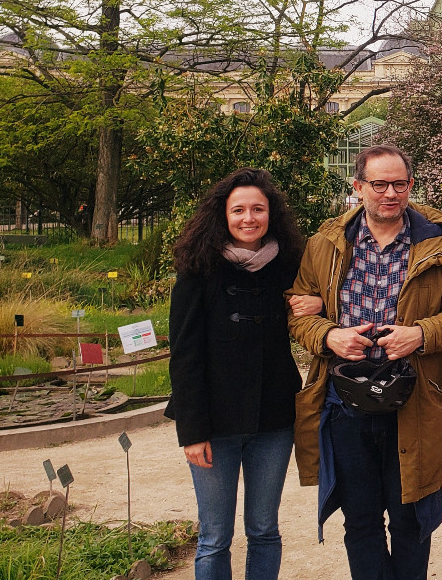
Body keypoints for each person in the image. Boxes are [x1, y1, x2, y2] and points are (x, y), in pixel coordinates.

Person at [286, 145, 442, 580]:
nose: (390, 194)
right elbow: (298, 314)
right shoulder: (325, 245)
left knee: (411, 519)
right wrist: (329, 335)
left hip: (412, 399)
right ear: (358, 187)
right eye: (379, 184)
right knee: (360, 522)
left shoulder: (441, 242)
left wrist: (422, 333)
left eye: (399, 184)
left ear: (411, 186)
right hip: (346, 404)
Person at [166, 168, 305, 580]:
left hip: (273, 421)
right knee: (214, 536)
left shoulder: (289, 267)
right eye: (239, 210)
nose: (249, 218)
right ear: (222, 215)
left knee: (264, 530)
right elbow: (184, 355)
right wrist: (191, 431)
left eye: (258, 209)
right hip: (213, 425)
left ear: (270, 214)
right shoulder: (198, 270)